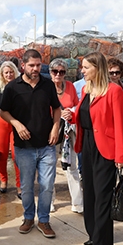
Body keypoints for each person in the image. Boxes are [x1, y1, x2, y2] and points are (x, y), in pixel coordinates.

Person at [71, 51, 123, 245]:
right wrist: (72, 115)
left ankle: (100, 244)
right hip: (86, 146)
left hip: (106, 150)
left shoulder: (114, 91)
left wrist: (120, 156)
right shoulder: (86, 89)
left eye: (85, 67)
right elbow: (83, 115)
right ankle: (93, 234)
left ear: (97, 68)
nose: (82, 71)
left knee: (103, 197)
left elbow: (120, 126)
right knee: (90, 194)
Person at [0, 49, 61, 238]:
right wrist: (16, 124)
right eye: (32, 65)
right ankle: (28, 218)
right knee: (26, 186)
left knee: (47, 185)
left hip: (47, 146)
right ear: (23, 65)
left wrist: (55, 128)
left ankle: (43, 220)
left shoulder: (48, 85)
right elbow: (3, 111)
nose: (36, 69)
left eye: (38, 65)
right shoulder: (12, 87)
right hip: (24, 147)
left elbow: (57, 108)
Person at [49, 58, 82, 213]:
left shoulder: (69, 86)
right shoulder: (46, 87)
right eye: (55, 71)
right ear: (50, 72)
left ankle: (77, 202)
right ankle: (48, 201)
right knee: (49, 166)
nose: (58, 75)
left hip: (69, 131)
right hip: (53, 130)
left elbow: (76, 104)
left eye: (62, 72)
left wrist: (71, 111)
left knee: (72, 165)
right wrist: (58, 113)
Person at [0, 61, 21, 198]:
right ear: (2, 74)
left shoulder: (20, 87)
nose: (9, 75)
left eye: (11, 72)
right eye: (6, 72)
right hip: (0, 122)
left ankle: (20, 185)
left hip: (16, 122)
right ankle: (3, 180)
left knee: (17, 155)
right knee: (1, 154)